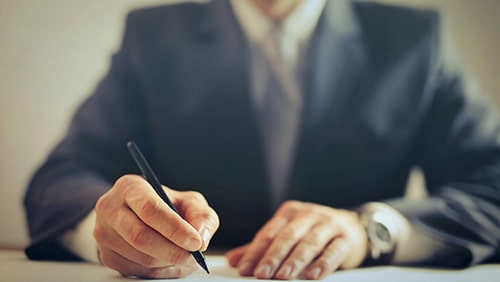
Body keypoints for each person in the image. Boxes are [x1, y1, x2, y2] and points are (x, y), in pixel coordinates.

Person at [24, 0, 500, 280]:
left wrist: (373, 231)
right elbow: (59, 181)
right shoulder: (153, 37)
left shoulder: (414, 40)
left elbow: (492, 183)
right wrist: (113, 229)